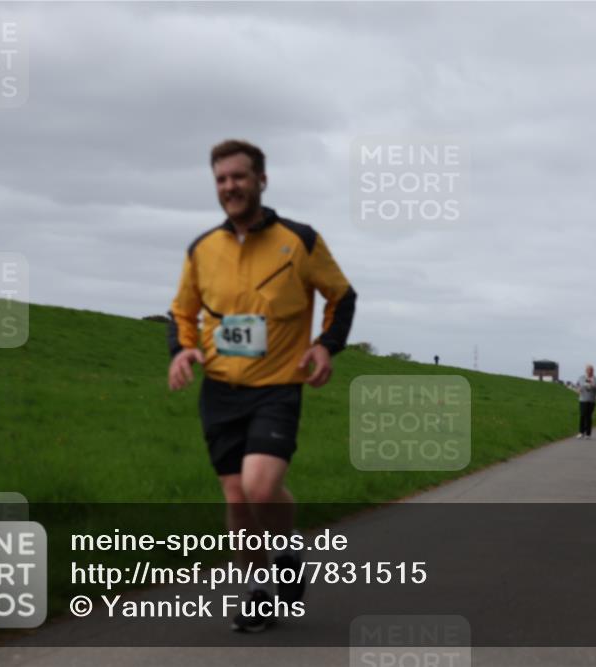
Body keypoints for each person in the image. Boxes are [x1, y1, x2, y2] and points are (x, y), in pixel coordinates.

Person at [167, 139, 357, 632]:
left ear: (261, 180)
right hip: (220, 389)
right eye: (221, 179)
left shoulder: (300, 241)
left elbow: (342, 296)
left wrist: (324, 346)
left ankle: (288, 548)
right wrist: (181, 350)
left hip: (277, 385)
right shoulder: (203, 249)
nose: (230, 186)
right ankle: (258, 593)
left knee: (260, 486)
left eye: (238, 176)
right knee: (236, 498)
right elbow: (182, 312)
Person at [575, 364, 596, 439]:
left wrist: (594, 386)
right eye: (588, 370)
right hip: (583, 399)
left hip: (591, 400)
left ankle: (588, 434)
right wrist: (578, 389)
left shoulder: (595, 379)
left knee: (589, 416)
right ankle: (581, 432)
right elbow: (577, 385)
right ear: (586, 371)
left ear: (593, 371)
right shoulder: (581, 378)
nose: (590, 371)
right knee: (582, 415)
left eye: (591, 370)